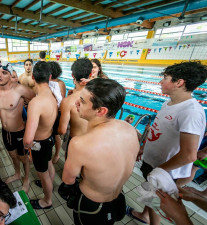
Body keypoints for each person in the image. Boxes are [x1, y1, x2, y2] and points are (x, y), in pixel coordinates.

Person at [131, 61, 207, 225]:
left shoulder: (191, 112)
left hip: (165, 170)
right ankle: (145, 215)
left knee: (156, 201)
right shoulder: (169, 102)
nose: (161, 81)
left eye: (165, 78)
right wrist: (144, 149)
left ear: (179, 83)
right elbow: (158, 132)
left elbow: (188, 155)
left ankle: (152, 222)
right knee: (150, 196)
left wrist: (159, 170)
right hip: (153, 163)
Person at [63, 78, 139, 224]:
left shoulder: (80, 144)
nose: (76, 103)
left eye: (82, 101)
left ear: (101, 111)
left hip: (92, 208)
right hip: (119, 201)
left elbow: (68, 179)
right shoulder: (130, 129)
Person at [0, 61, 35, 193]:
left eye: (4, 73)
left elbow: (35, 103)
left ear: (10, 75)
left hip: (19, 131)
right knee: (12, 155)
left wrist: (31, 128)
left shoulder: (19, 89)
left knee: (23, 157)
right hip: (6, 132)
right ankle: (17, 174)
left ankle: (26, 178)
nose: (0, 75)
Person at [57, 58, 92, 200]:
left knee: (70, 170)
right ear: (90, 74)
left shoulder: (69, 101)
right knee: (87, 170)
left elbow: (62, 130)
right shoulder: (98, 95)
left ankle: (70, 189)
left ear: (73, 75)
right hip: (93, 140)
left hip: (75, 141)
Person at [24, 61, 57, 209]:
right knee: (48, 164)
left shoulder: (36, 103)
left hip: (39, 144)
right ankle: (49, 184)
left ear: (33, 77)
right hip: (49, 139)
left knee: (42, 175)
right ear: (50, 77)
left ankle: (47, 200)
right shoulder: (53, 95)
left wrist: (27, 149)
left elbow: (28, 139)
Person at [48, 61, 65, 164]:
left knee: (56, 135)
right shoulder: (45, 82)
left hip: (57, 113)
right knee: (49, 134)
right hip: (48, 113)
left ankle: (57, 154)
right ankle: (49, 153)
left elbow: (62, 100)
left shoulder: (60, 83)